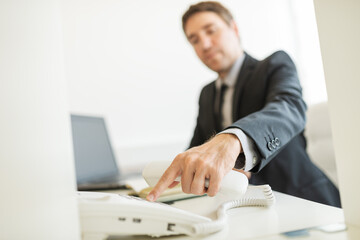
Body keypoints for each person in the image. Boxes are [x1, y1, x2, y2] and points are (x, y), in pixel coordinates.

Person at [147, 1, 341, 207]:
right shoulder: (207, 94)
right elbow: (197, 149)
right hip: (244, 206)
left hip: (305, 200)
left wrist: (233, 139)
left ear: (234, 28)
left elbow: (289, 107)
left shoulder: (275, 65)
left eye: (211, 31)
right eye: (194, 40)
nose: (204, 45)